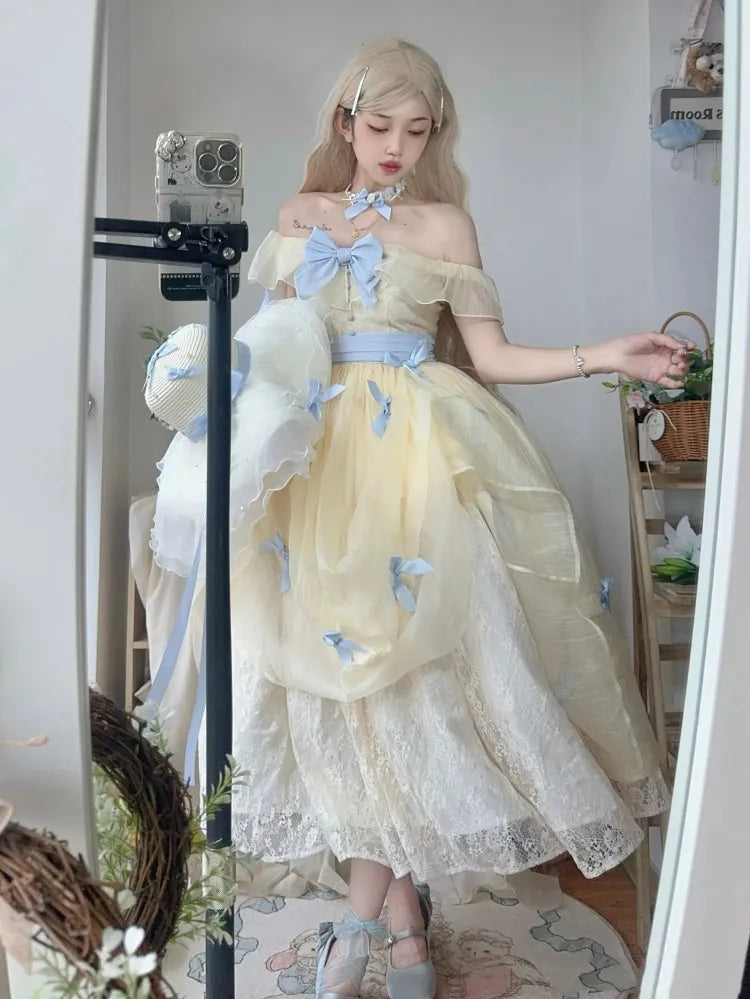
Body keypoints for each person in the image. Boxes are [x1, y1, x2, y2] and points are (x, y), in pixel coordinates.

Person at [145, 37, 690, 999]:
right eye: (380, 124)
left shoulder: (446, 227)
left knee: (412, 695)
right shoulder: (299, 215)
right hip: (318, 468)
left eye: (419, 129)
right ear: (345, 122)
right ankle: (402, 927)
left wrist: (606, 353)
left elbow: (493, 356)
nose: (397, 145)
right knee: (346, 703)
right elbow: (275, 348)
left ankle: (365, 931)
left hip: (419, 465)